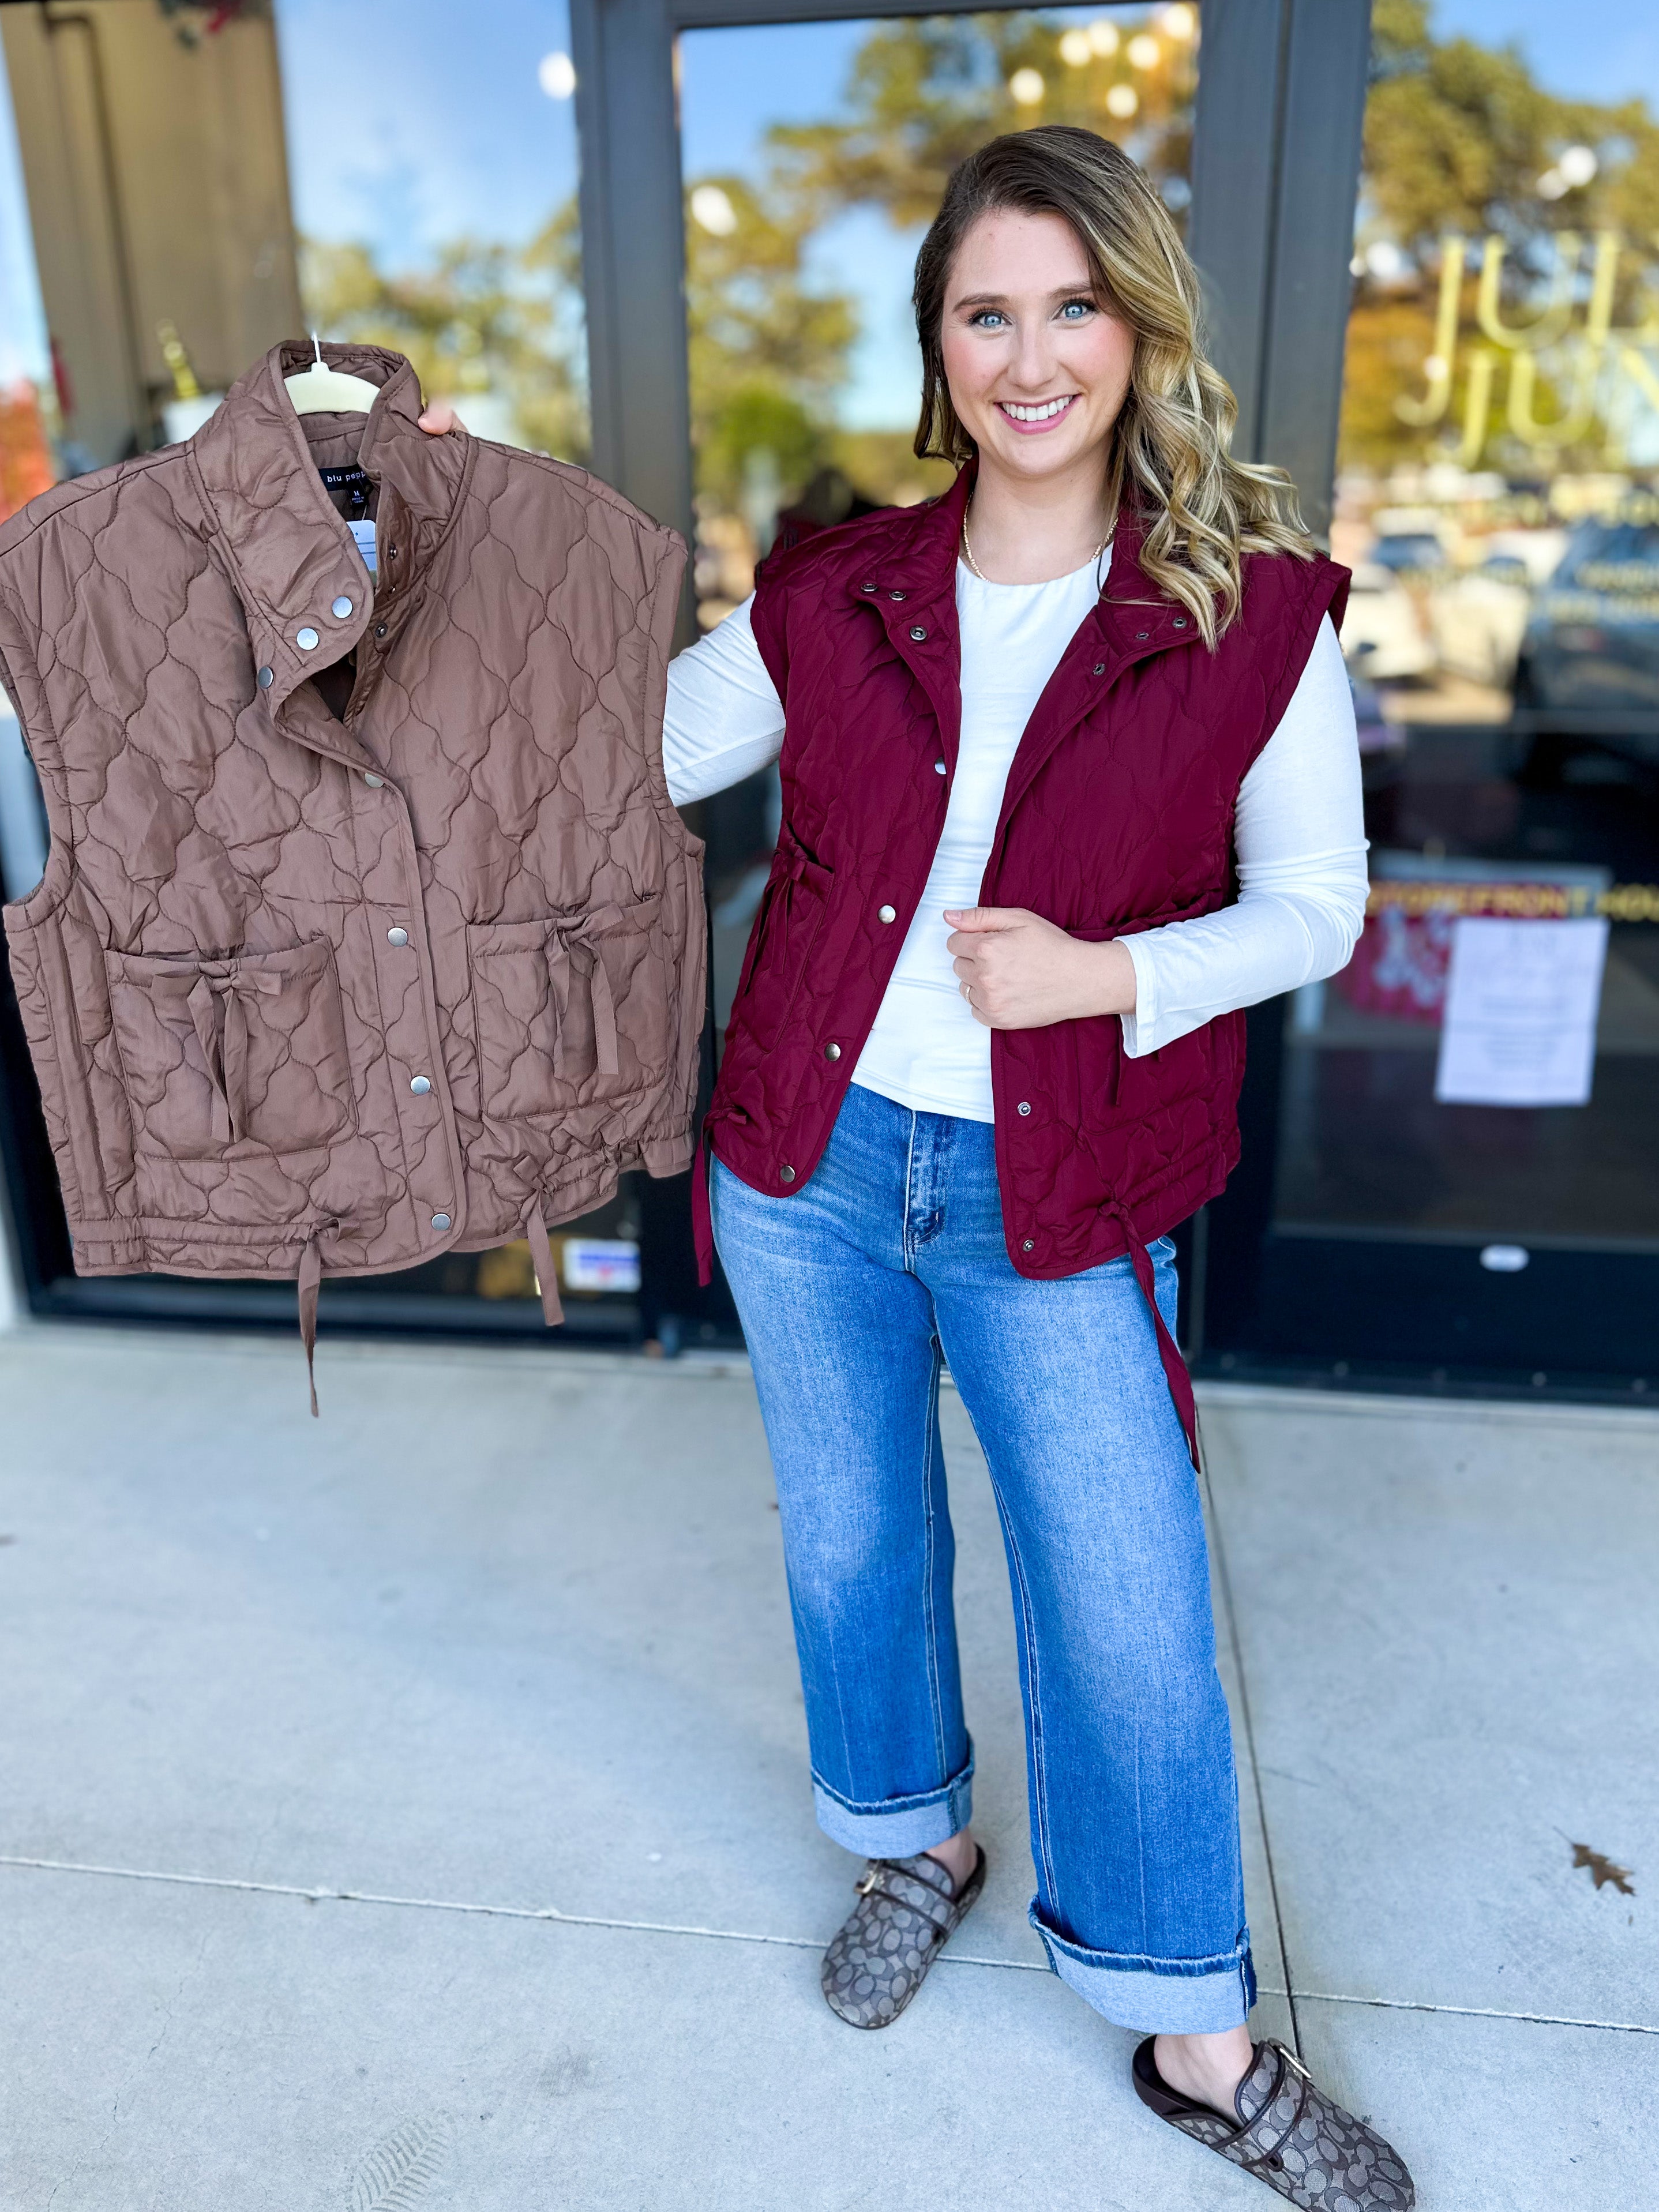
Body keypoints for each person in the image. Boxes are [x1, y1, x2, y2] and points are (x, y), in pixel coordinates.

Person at [423, 124, 1411, 2209]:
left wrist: (1105, 968)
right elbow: (611, 750)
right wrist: (443, 527)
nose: (1030, 354)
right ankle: (913, 1842)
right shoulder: (837, 593)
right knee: (855, 1547)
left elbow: (1317, 906)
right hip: (809, 1158)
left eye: (1072, 306)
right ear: (939, 344)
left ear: (1138, 330)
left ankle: (1195, 2031)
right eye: (988, 311)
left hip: (1061, 1184)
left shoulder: (1257, 615)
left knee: (1127, 1606)